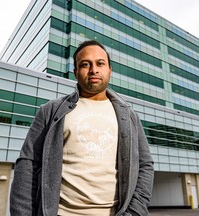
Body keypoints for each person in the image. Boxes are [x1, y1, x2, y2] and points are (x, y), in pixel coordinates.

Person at [10, 40, 154, 216]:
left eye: (100, 63)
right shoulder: (51, 111)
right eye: (86, 64)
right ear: (76, 72)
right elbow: (28, 163)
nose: (94, 70)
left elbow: (145, 165)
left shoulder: (129, 116)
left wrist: (135, 212)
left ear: (109, 70)